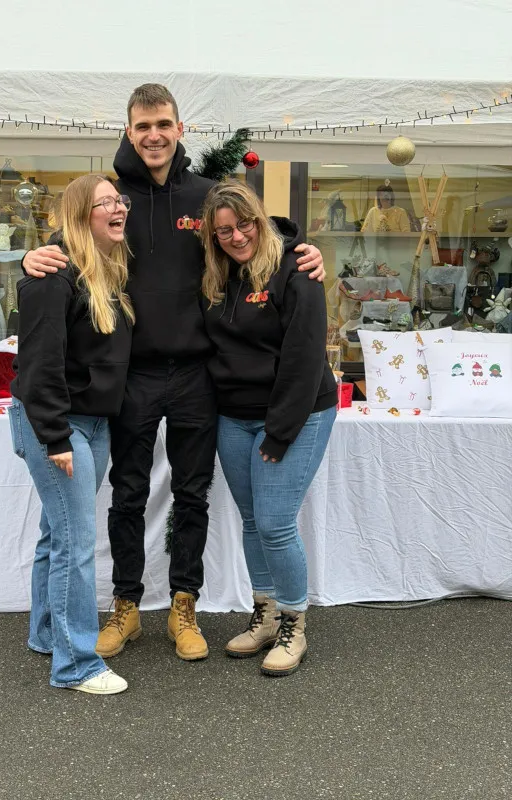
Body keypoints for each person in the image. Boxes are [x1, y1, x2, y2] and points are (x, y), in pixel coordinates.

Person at [22, 83, 325, 663]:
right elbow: (70, 243)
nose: (154, 135)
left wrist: (300, 247)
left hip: (196, 374)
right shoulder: (114, 198)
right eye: (143, 126)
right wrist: (30, 257)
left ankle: (184, 605)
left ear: (180, 128)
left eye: (163, 124)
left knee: (191, 495)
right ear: (129, 132)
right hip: (131, 374)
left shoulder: (205, 194)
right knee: (128, 495)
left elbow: (253, 231)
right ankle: (127, 606)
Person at [199, 180, 337, 677]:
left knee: (276, 523)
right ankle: (266, 614)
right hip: (233, 416)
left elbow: (304, 358)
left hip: (296, 413)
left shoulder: (296, 269)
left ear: (259, 220)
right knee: (253, 520)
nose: (236, 237)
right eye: (224, 231)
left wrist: (279, 433)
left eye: (244, 225)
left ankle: (294, 625)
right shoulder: (215, 275)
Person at [9, 174, 134, 694]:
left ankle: (47, 636)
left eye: (119, 200)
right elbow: (39, 364)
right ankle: (76, 665)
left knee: (55, 533)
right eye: (105, 202)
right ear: (82, 215)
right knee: (75, 544)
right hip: (57, 424)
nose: (118, 207)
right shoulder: (52, 275)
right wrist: (56, 436)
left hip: (91, 421)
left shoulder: (105, 268)